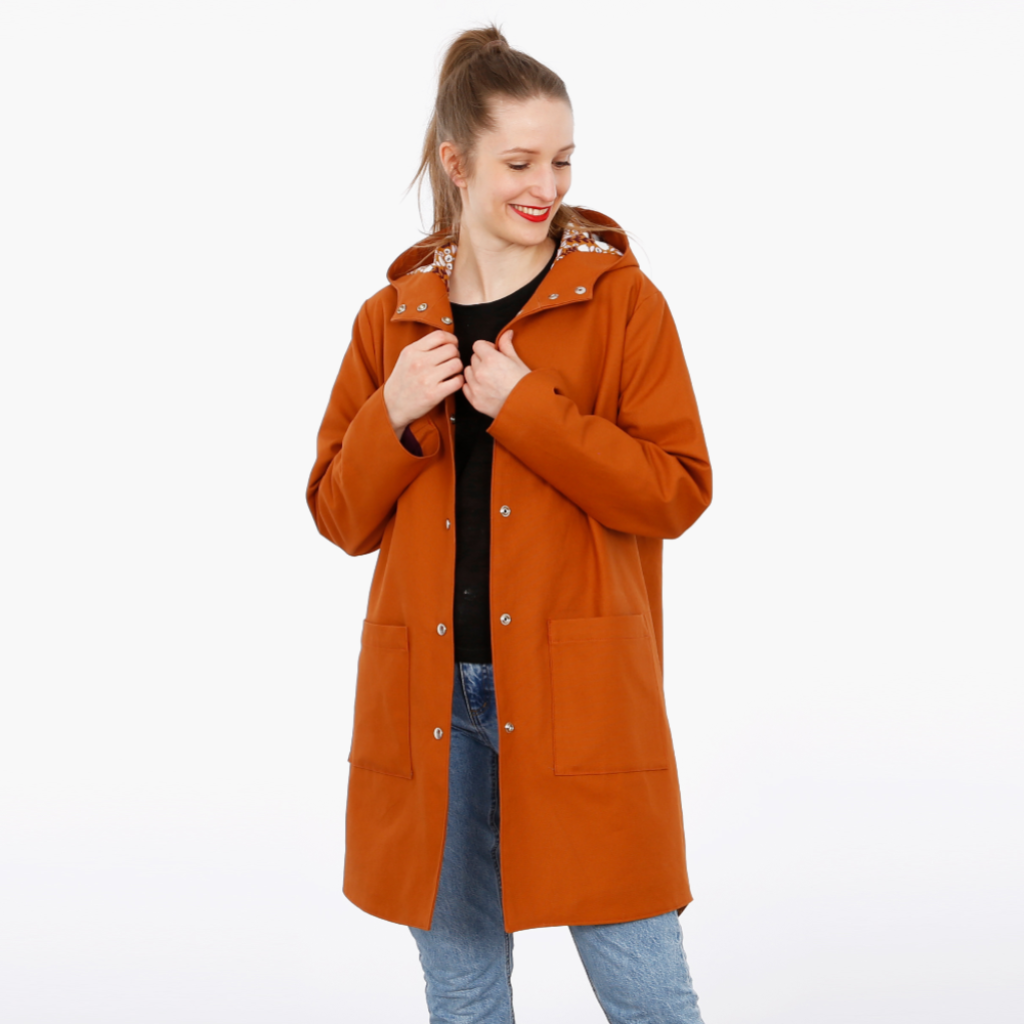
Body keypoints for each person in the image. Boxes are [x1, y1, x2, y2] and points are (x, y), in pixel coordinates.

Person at [306, 24, 713, 1024]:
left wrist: (528, 408)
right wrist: (392, 411)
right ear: (457, 163)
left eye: (562, 160)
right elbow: (338, 516)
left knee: (645, 986)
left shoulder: (622, 306)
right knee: (461, 990)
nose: (547, 186)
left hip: (578, 696)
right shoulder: (390, 320)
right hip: (429, 699)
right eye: (520, 162)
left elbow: (675, 490)